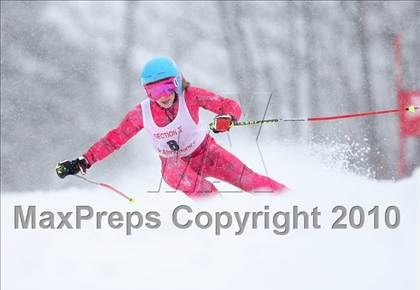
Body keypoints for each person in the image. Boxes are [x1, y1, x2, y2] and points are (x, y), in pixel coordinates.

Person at [56, 56, 287, 198]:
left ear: (177, 82)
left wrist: (227, 118)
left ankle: (291, 201)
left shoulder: (192, 96)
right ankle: (219, 216)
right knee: (181, 173)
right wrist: (83, 161)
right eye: (154, 91)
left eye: (167, 87)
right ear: (146, 91)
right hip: (173, 165)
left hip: (207, 153)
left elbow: (230, 106)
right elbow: (113, 139)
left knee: (251, 181)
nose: (163, 96)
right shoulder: (142, 113)